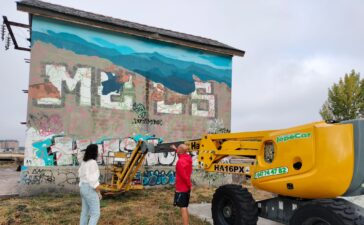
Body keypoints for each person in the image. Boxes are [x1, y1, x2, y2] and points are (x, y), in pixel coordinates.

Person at [78, 144, 102, 225]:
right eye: (97, 151)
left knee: (85, 212)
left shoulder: (84, 162)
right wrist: (98, 192)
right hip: (90, 188)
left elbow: (81, 175)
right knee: (95, 213)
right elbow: (93, 181)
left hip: (83, 187)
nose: (98, 152)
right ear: (94, 152)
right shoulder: (92, 162)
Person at [171, 144, 193, 225]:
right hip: (186, 188)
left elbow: (184, 177)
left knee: (183, 208)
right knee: (185, 206)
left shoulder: (179, 163)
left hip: (182, 189)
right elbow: (181, 154)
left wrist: (189, 185)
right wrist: (175, 149)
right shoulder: (188, 158)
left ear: (180, 151)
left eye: (178, 148)